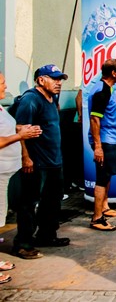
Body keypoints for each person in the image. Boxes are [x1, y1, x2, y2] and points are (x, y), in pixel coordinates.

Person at [11, 65, 70, 260]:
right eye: (54, 79)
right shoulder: (30, 100)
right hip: (36, 162)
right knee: (29, 203)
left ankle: (47, 235)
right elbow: (20, 130)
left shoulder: (52, 98)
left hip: (55, 161)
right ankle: (23, 244)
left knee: (53, 201)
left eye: (60, 79)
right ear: (41, 80)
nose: (59, 83)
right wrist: (25, 157)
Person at [0, 73, 41, 280]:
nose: (5, 85)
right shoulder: (29, 99)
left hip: (6, 171)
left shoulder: (0, 107)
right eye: (1, 83)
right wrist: (20, 135)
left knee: (0, 217)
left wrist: (19, 128)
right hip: (0, 171)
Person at [88, 59, 116, 232]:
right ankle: (97, 218)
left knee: (108, 174)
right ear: (113, 73)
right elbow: (95, 118)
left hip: (110, 139)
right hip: (104, 141)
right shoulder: (102, 91)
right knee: (102, 178)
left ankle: (104, 206)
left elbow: (105, 111)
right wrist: (98, 146)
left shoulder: (108, 90)